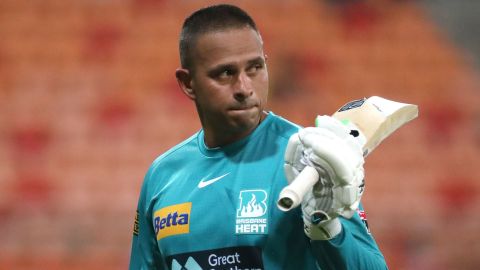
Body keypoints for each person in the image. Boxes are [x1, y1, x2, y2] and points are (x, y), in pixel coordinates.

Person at [129, 4, 387, 270]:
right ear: (188, 83)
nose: (244, 88)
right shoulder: (162, 176)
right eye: (226, 73)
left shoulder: (310, 159)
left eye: (254, 68)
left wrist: (329, 228)